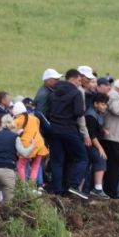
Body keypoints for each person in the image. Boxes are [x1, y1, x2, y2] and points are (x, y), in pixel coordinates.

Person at [46, 69, 89, 198]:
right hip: (69, 129)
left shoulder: (53, 93)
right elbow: (78, 112)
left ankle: (57, 190)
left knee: (57, 161)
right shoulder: (76, 93)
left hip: (53, 130)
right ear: (73, 79)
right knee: (82, 158)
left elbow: (48, 111)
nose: (80, 83)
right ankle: (74, 186)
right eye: (79, 80)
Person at [0, 114, 35, 202]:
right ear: (12, 124)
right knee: (8, 203)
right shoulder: (15, 137)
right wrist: (32, 145)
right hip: (7, 171)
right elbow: (24, 153)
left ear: (2, 124)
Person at [13, 101, 47, 188]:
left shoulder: (16, 121)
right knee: (35, 166)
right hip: (39, 144)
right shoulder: (34, 118)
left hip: (26, 145)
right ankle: (32, 186)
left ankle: (23, 187)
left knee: (21, 166)